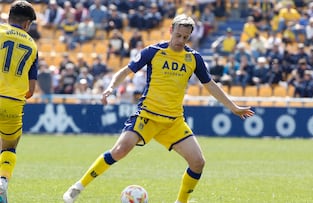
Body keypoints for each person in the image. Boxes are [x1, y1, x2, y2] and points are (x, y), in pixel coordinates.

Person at [63, 14, 254, 203]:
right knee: (120, 150)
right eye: (178, 35)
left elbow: (211, 85)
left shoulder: (193, 58)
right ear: (171, 30)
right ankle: (78, 187)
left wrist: (233, 107)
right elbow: (126, 71)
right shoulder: (153, 51)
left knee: (198, 163)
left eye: (185, 37)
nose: (181, 40)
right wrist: (111, 87)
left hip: (173, 122)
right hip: (147, 116)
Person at [0, 1, 38, 202]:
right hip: (13, 103)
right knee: (8, 148)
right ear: (27, 24)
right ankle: (2, 182)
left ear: (9, 17)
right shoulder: (32, 45)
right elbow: (31, 90)